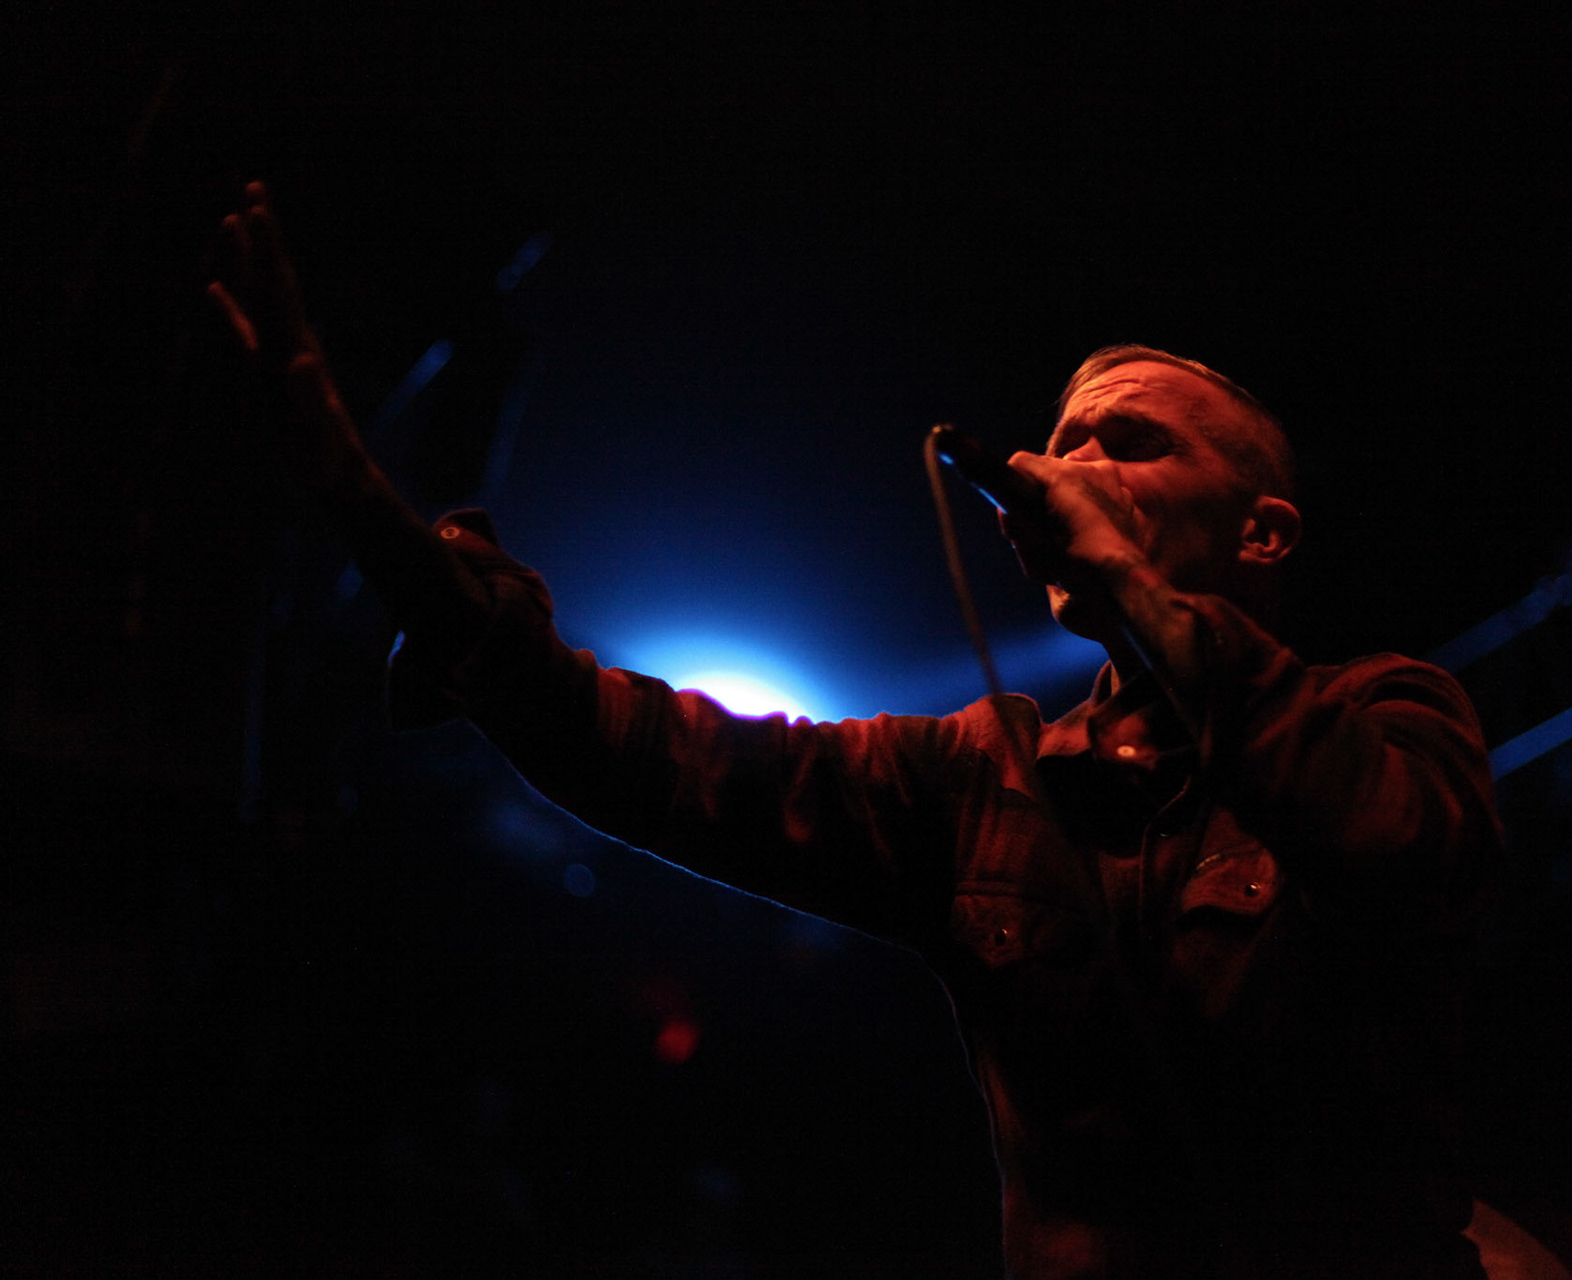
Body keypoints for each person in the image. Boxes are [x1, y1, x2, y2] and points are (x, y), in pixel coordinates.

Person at [211, 183, 1505, 1278]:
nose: (1073, 466)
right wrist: (357, 496)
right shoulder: (983, 779)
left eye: (1132, 444)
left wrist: (1133, 586)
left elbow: (1394, 849)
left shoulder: (1388, 713)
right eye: (1064, 443)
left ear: (1263, 534)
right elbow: (657, 759)